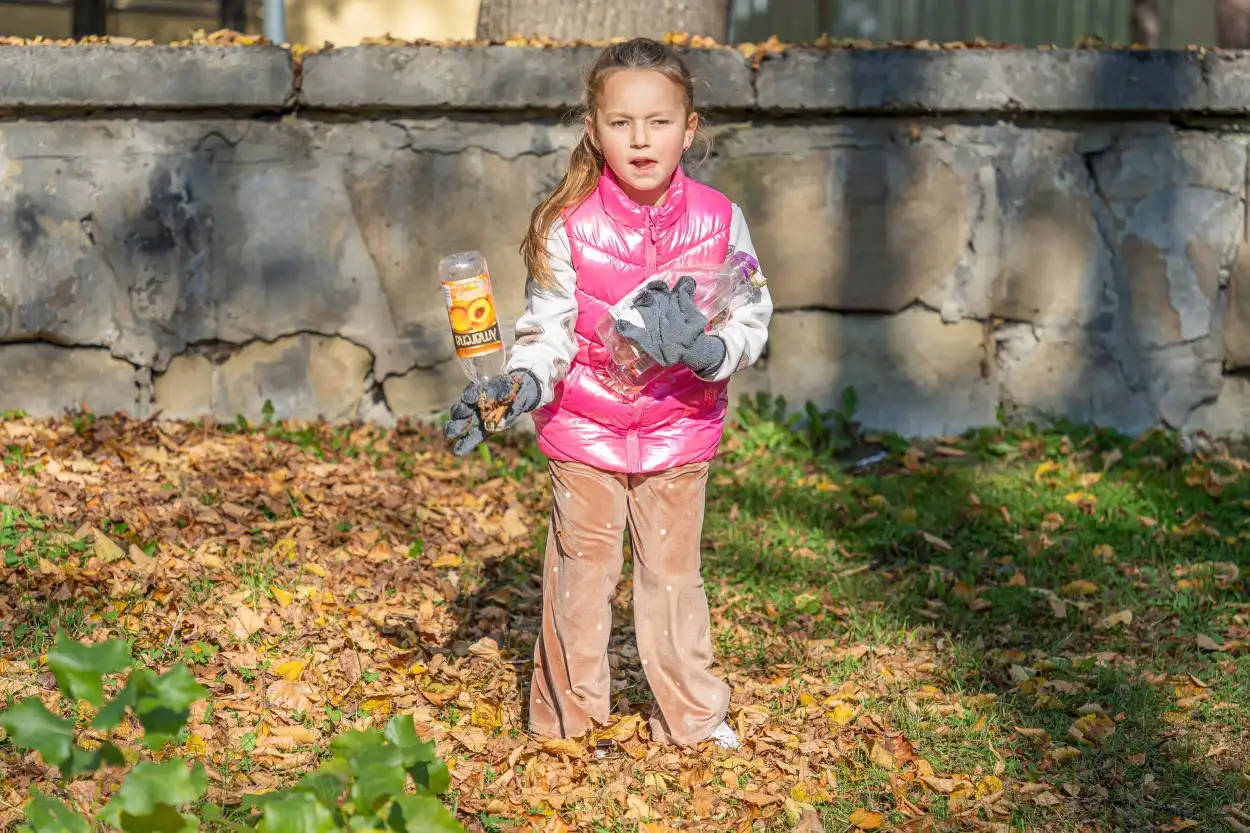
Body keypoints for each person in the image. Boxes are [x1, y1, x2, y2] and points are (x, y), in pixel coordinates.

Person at [443, 36, 772, 752]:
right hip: (584, 433)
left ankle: (693, 718)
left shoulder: (720, 219)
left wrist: (711, 350)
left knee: (672, 578)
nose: (640, 138)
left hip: (679, 430)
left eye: (658, 122)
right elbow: (548, 332)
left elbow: (752, 310)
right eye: (621, 123)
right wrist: (519, 386)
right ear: (593, 130)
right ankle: (566, 723)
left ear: (689, 129)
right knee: (582, 575)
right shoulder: (567, 223)